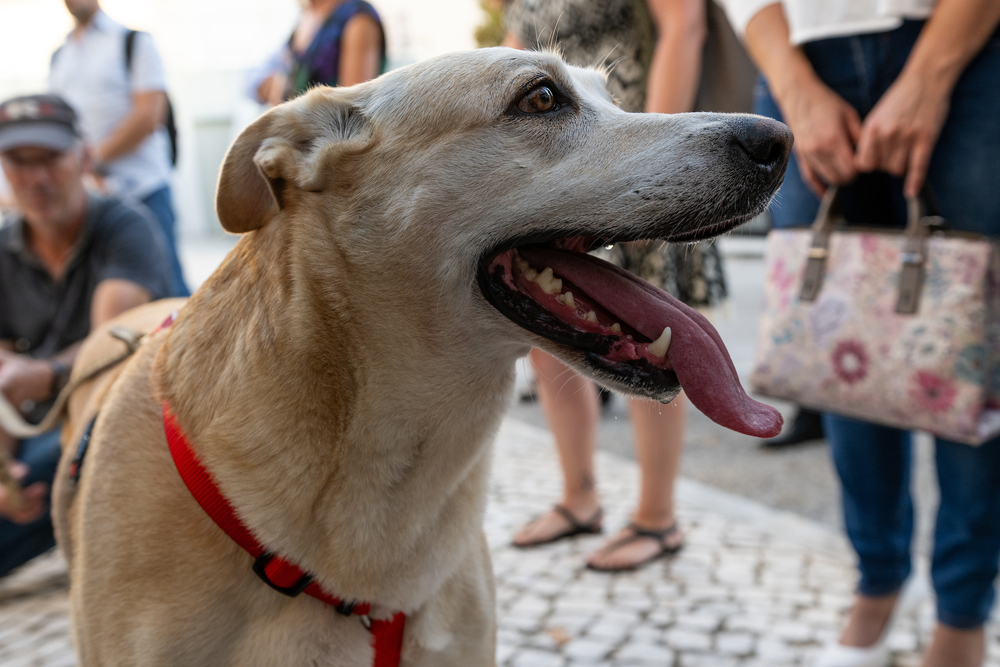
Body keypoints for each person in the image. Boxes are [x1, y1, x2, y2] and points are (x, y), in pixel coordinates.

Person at [719, 0, 1000, 664]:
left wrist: (931, 75)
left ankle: (961, 615)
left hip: (968, 39)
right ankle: (876, 580)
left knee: (974, 345)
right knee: (840, 344)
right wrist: (792, 84)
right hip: (798, 48)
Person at [505, 0, 730, 572]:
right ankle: (579, 498)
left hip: (628, 147)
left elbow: (685, 27)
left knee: (656, 341)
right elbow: (510, 55)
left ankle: (658, 518)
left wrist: (662, 164)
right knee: (546, 323)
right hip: (553, 168)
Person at [0, 94, 173, 578]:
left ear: (84, 157)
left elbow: (110, 347)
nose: (35, 178)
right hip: (53, 428)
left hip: (139, 414)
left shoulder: (124, 225)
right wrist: (4, 473)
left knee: (81, 448)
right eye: (18, 161)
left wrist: (46, 375)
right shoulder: (3, 250)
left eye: (50, 159)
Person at [49, 0, 188, 298]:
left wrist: (89, 162)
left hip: (144, 191)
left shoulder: (133, 41)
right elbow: (60, 127)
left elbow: (149, 115)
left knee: (168, 291)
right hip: (94, 199)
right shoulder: (61, 55)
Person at [250, 0, 386, 107]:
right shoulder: (304, 17)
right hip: (294, 137)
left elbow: (352, 113)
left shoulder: (358, 19)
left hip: (328, 139)